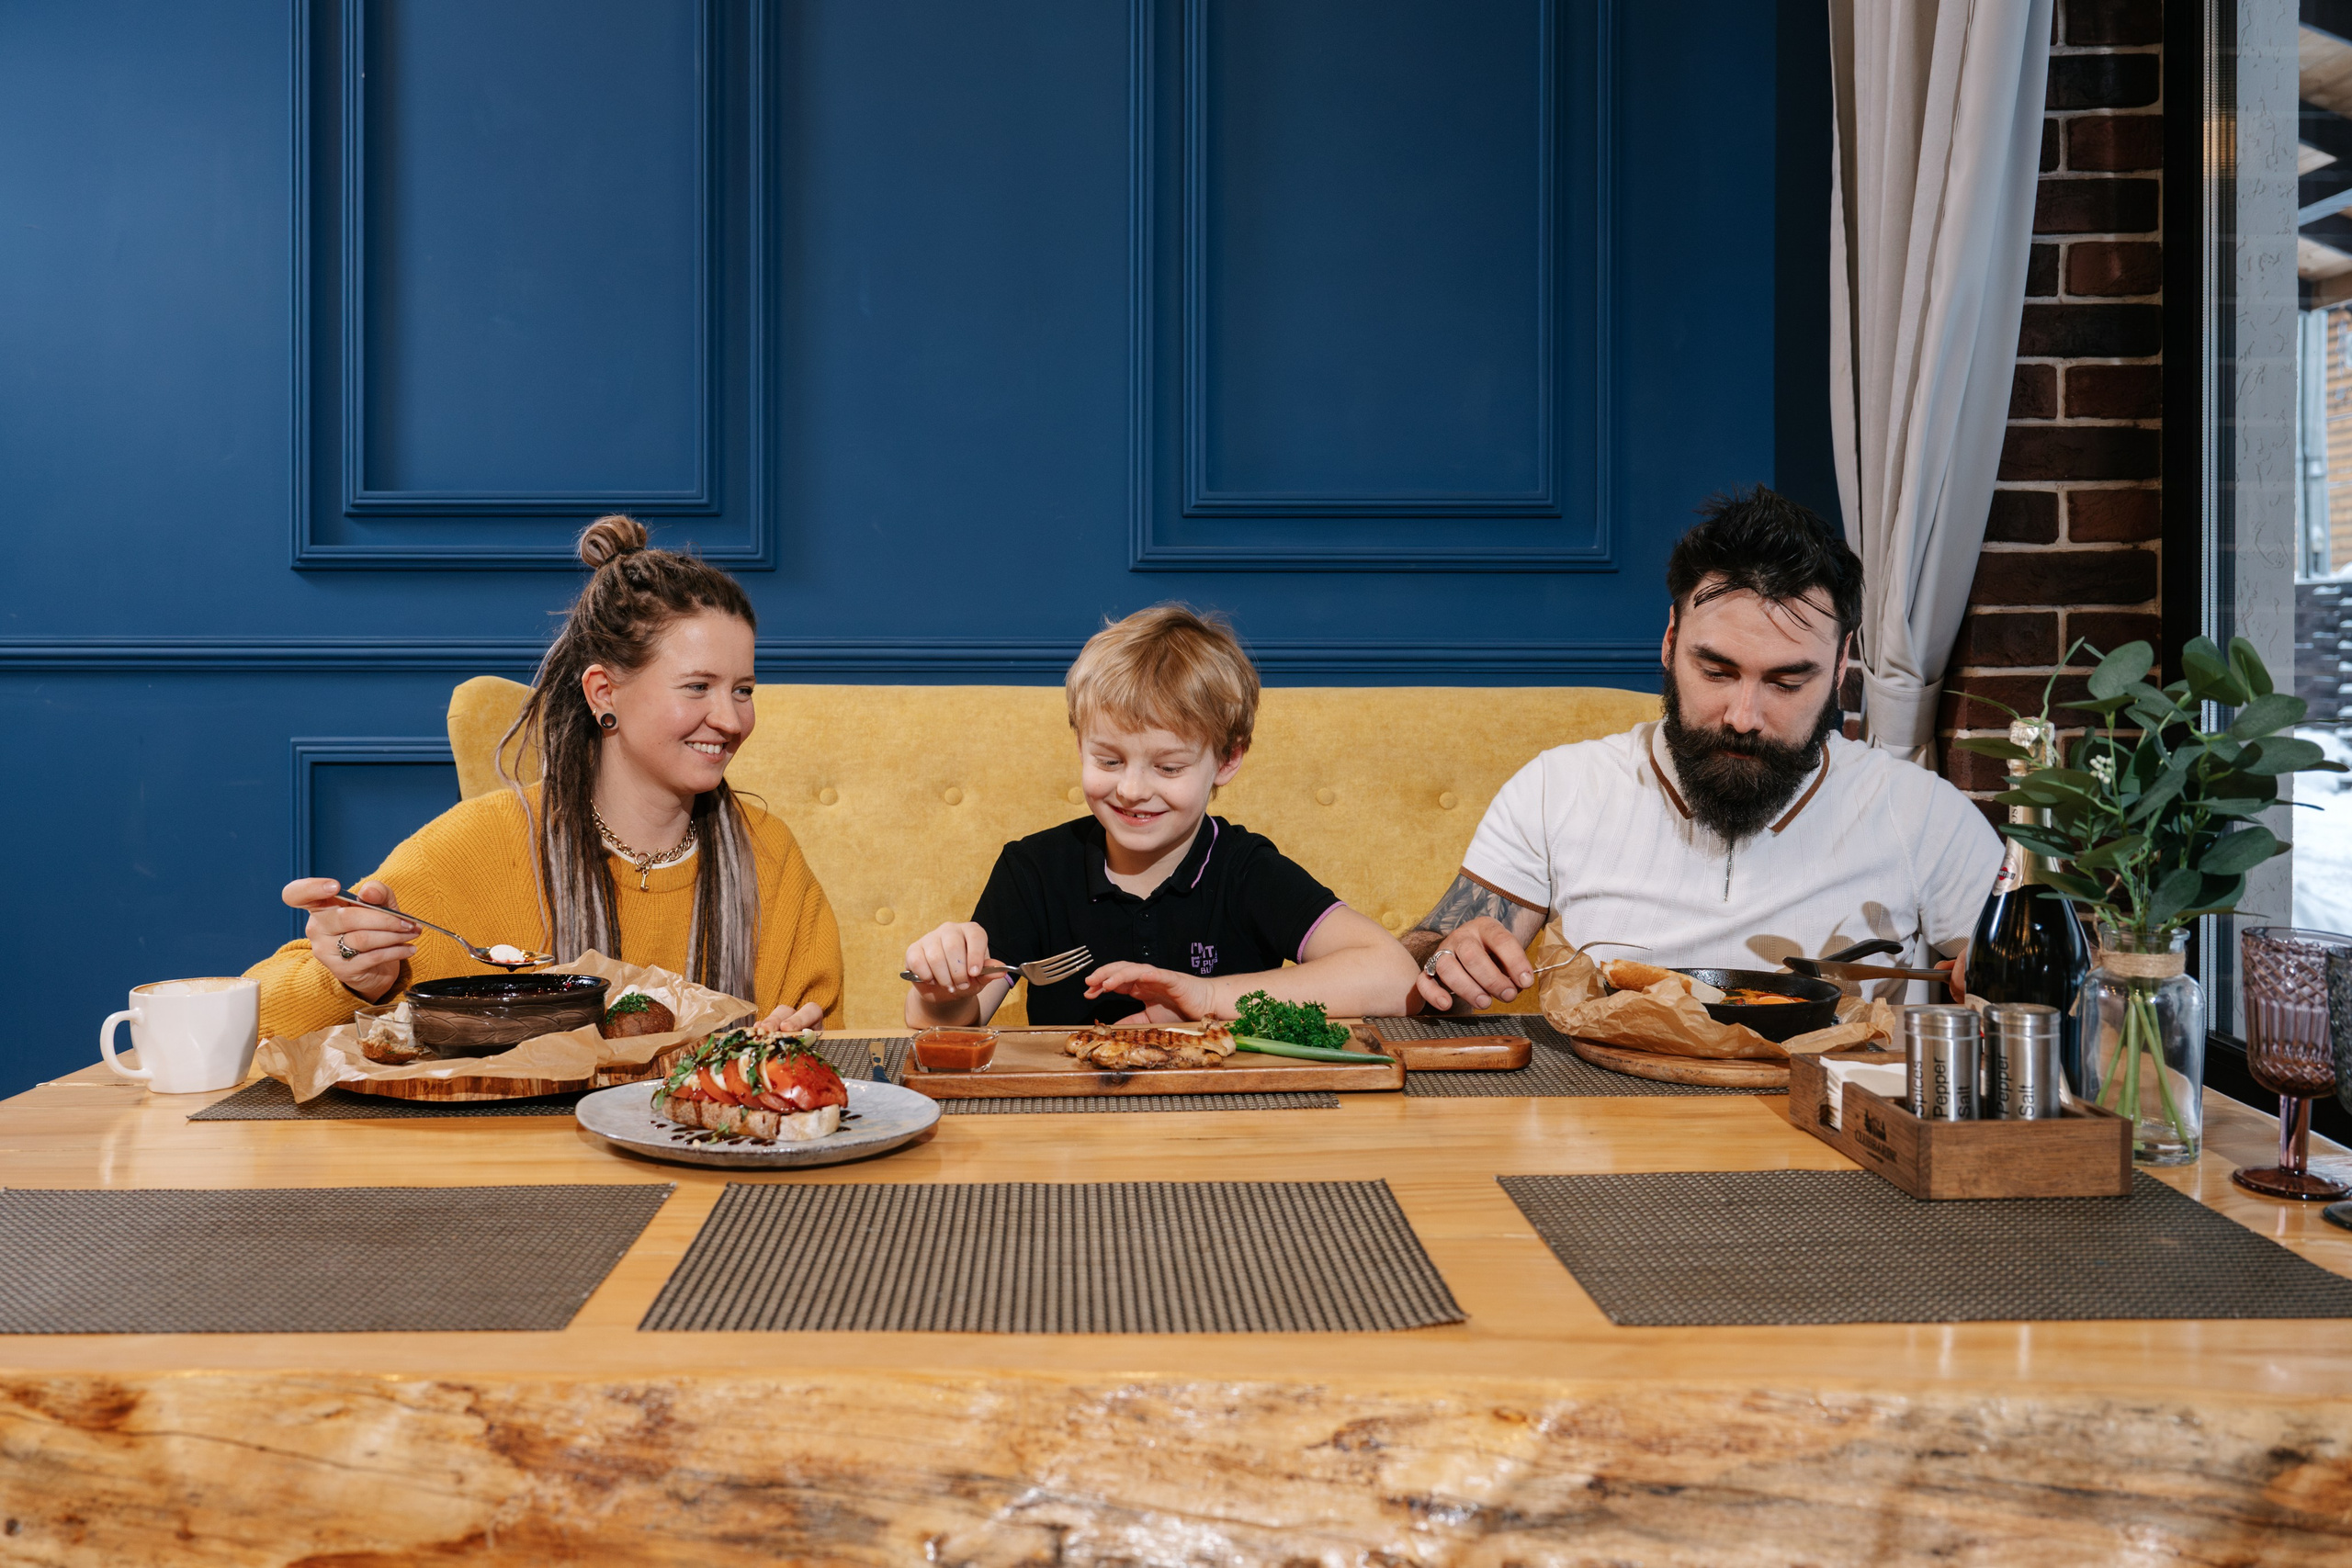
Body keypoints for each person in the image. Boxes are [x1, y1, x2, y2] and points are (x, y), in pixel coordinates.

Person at [1405, 485, 1999, 1014]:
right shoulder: (1560, 789)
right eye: (1716, 671)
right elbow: (1422, 962)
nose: (1744, 718)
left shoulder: (1919, 814)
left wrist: (2013, 978)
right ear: (1670, 641)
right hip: (1607, 1124)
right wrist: (1447, 959)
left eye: (1787, 683)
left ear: (1842, 665)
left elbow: (2046, 988)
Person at [249, 515, 843, 1039]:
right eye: (698, 686)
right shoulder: (480, 848)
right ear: (604, 692)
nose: (731, 717)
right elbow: (261, 1014)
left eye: (743, 690)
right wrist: (349, 978)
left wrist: (794, 1044)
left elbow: (834, 1049)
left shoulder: (772, 861)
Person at [902, 604, 1421, 1028]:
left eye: (1168, 767)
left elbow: (1393, 975)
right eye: (1108, 760)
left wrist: (1209, 996)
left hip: (1224, 1123)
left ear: (1227, 759)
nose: (1131, 790)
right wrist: (941, 988)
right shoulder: (1034, 869)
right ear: (1080, 744)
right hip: (1074, 1131)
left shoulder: (1245, 869)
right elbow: (947, 1026)